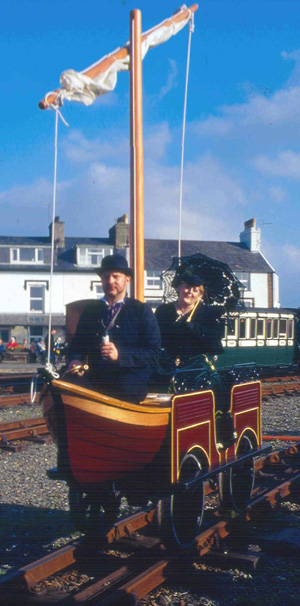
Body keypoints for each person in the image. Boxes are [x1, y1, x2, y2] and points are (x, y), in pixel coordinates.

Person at [155, 267, 236, 449]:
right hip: (167, 361)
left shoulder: (208, 313)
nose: (190, 292)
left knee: (215, 386)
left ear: (200, 294)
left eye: (195, 289)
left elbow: (215, 345)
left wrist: (195, 329)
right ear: (178, 287)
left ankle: (221, 434)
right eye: (187, 287)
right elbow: (154, 339)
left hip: (197, 362)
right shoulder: (163, 311)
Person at [68, 254, 161, 404]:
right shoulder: (91, 310)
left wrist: (120, 355)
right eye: (106, 277)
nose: (110, 281)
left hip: (130, 377)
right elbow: (77, 344)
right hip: (96, 376)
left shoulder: (142, 311)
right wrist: (75, 359)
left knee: (125, 389)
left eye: (115, 276)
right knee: (65, 385)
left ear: (127, 279)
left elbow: (154, 352)